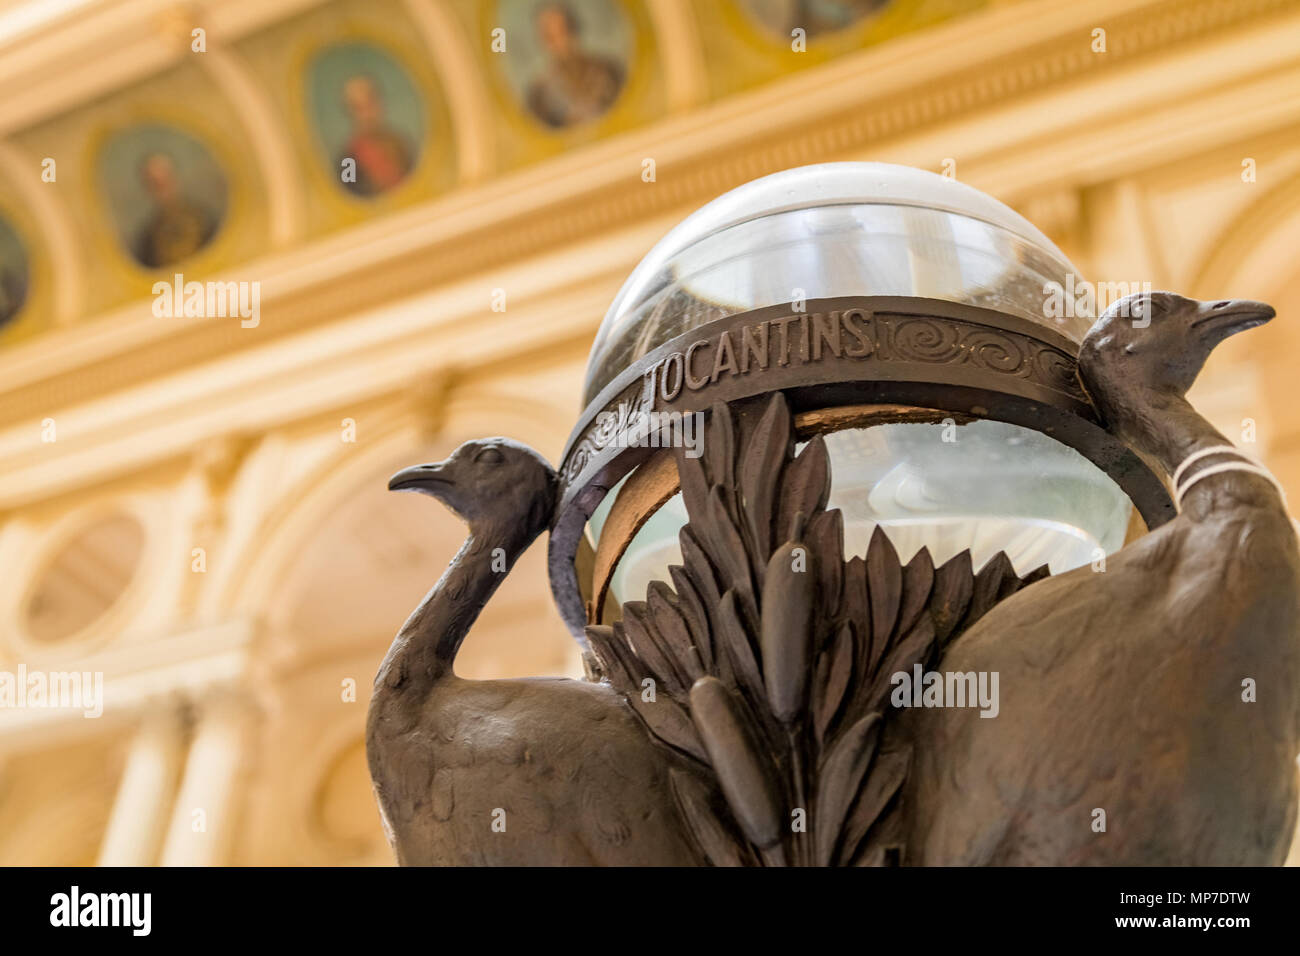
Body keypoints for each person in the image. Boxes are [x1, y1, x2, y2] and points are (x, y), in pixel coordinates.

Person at [525, 2, 624, 129]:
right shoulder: (539, 95)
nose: (559, 43)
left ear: (574, 30)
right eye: (550, 37)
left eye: (563, 32)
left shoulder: (609, 70)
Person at [132, 152, 217, 269]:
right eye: (156, 184)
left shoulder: (204, 220)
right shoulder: (147, 239)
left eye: (165, 180)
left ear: (175, 178)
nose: (163, 190)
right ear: (148, 189)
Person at [337, 74, 413, 197]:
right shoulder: (348, 160)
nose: (368, 114)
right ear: (350, 113)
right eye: (359, 108)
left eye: (370, 104)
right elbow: (352, 196)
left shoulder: (399, 144)